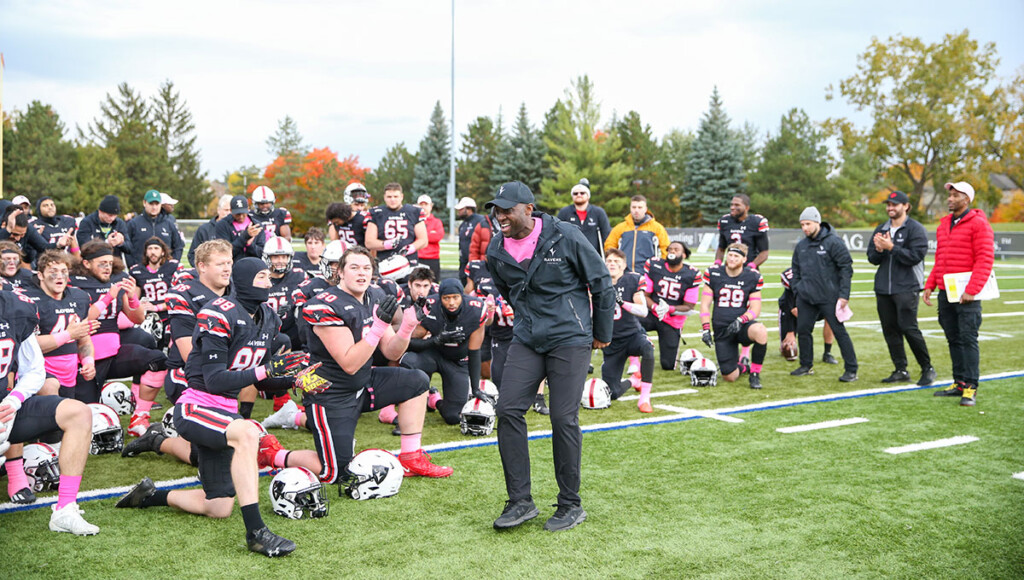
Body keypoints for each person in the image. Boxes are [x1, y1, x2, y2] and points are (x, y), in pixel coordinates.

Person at [116, 258, 307, 558]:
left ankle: (149, 496)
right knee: (247, 432)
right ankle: (256, 533)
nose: (269, 284)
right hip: (196, 405)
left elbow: (260, 377)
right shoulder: (219, 312)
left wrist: (295, 380)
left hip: (225, 411)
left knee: (218, 506)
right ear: (243, 280)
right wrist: (266, 371)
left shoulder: (268, 317)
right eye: (261, 277)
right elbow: (215, 380)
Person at [485, 181, 614, 532]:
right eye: (497, 209)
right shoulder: (495, 249)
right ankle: (520, 501)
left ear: (528, 209)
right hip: (527, 337)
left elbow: (601, 282)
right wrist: (528, 319)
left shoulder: (566, 234)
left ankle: (570, 504)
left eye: (507, 209)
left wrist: (601, 333)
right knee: (508, 409)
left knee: (563, 417)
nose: (500, 216)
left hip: (569, 337)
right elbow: (509, 291)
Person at [268, 246, 454, 482]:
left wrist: (407, 326)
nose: (361, 273)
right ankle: (275, 454)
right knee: (335, 473)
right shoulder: (324, 304)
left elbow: (390, 350)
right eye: (354, 267)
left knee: (417, 380)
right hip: (331, 393)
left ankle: (411, 457)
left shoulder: (374, 295)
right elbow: (349, 363)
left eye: (366, 268)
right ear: (341, 273)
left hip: (363, 384)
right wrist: (377, 328)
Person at [122, 240, 235, 463]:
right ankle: (157, 440)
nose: (227, 268)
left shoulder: (234, 291)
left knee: (235, 444)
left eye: (229, 262)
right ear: (202, 266)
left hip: (222, 375)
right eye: (221, 263)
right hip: (189, 376)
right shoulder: (185, 295)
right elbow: (190, 355)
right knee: (206, 457)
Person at [0, 290, 100, 534]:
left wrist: (14, 400)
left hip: (5, 409)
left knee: (79, 413)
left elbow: (35, 370)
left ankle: (65, 509)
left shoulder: (15, 307)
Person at [70, 241, 167, 431]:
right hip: (84, 357)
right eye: (102, 263)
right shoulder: (74, 281)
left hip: (113, 349)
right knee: (85, 418)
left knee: (158, 359)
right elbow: (83, 319)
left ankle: (140, 416)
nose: (107, 268)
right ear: (86, 263)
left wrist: (131, 296)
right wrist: (107, 297)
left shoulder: (118, 278)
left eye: (109, 262)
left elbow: (138, 318)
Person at [923, 181, 994, 406]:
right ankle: (959, 382)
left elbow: (984, 259)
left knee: (968, 338)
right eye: (950, 195)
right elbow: (941, 259)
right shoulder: (944, 225)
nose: (950, 198)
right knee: (953, 338)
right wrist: (930, 285)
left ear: (967, 199)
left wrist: (972, 290)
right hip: (947, 292)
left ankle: (971, 386)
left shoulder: (979, 224)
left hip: (967, 294)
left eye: (955, 195)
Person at [866, 190, 935, 386]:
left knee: (909, 328)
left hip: (906, 286)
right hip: (883, 289)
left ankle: (927, 368)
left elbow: (915, 256)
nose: (890, 208)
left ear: (906, 206)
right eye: (888, 204)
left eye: (894, 204)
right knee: (890, 330)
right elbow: (872, 258)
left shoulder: (915, 229)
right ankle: (900, 369)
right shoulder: (881, 229)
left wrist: (891, 247)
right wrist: (879, 250)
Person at [400, 278, 488, 426]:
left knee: (453, 417)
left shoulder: (476, 309)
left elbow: (474, 351)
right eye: (446, 298)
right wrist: (435, 340)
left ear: (462, 296)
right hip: (433, 355)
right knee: (409, 361)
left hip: (458, 362)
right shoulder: (429, 306)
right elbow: (407, 343)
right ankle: (407, 413)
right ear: (440, 298)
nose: (451, 303)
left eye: (455, 297)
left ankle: (434, 400)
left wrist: (475, 388)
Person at [789, 207, 858, 382]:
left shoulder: (833, 242)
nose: (805, 228)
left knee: (839, 331)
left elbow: (846, 268)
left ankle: (851, 369)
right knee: (803, 330)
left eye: (808, 224)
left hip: (829, 297)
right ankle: (806, 365)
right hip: (806, 297)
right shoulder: (801, 246)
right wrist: (798, 289)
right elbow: (795, 270)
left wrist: (844, 295)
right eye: (802, 224)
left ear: (817, 223)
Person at [19, 251, 99, 398]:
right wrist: (68, 334)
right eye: (53, 272)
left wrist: (88, 362)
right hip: (37, 370)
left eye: (63, 271)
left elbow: (84, 340)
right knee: (50, 393)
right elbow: (27, 345)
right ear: (41, 275)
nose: (59, 276)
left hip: (70, 372)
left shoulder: (79, 297)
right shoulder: (29, 300)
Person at [699, 242, 768, 389]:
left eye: (736, 256)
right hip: (722, 328)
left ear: (744, 259)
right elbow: (705, 304)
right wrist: (706, 328)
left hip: (742, 325)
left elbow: (755, 309)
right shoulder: (714, 273)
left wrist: (741, 320)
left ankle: (755, 374)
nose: (731, 258)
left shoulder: (752, 276)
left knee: (761, 331)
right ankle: (743, 367)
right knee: (729, 377)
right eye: (730, 255)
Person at [601, 249, 656, 411]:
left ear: (624, 265)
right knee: (611, 393)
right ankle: (634, 380)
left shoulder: (632, 280)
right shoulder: (598, 282)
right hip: (611, 341)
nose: (612, 264)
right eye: (609, 261)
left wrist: (622, 303)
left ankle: (645, 398)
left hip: (632, 335)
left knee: (648, 348)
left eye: (616, 261)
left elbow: (643, 311)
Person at [640, 240, 701, 371]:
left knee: (668, 365)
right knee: (630, 321)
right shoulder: (655, 266)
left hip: (672, 320)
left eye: (676, 249)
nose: (672, 251)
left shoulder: (691, 274)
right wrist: (656, 307)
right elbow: (645, 295)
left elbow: (689, 306)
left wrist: (669, 308)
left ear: (684, 255)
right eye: (670, 249)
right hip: (651, 313)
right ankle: (634, 360)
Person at [777, 267, 838, 363]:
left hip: (818, 305)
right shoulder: (792, 278)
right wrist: (790, 331)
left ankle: (827, 353)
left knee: (831, 314)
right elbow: (789, 306)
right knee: (787, 348)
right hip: (795, 309)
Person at [129, 237, 180, 348]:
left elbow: (179, 298)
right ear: (146, 252)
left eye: (156, 248)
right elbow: (134, 298)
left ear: (162, 252)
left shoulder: (173, 267)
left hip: (169, 316)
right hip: (148, 318)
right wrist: (139, 305)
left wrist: (157, 307)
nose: (153, 252)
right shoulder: (137, 271)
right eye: (150, 249)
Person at [364, 183, 426, 265]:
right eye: (389, 197)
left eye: (396, 196)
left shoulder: (414, 212)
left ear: (402, 197)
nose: (392, 199)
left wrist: (410, 248)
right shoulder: (376, 213)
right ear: (384, 197)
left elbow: (423, 240)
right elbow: (369, 242)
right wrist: (386, 244)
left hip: (409, 261)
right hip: (385, 262)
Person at [604, 195, 669, 273]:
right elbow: (609, 246)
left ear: (646, 209)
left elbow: (666, 248)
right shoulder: (620, 228)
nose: (636, 210)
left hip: (648, 272)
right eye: (634, 207)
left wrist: (663, 268)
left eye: (640, 207)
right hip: (624, 272)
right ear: (630, 208)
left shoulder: (657, 228)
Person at [127, 189, 184, 265]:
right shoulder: (134, 224)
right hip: (140, 273)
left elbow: (178, 246)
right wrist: (133, 266)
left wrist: (172, 265)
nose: (154, 207)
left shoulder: (169, 224)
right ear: (144, 203)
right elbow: (127, 248)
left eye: (157, 204)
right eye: (151, 204)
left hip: (165, 273)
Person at [556, 179, 611, 255]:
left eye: (582, 193)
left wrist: (607, 253)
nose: (579, 195)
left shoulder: (598, 212)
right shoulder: (564, 212)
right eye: (575, 193)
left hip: (592, 254)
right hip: (571, 254)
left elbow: (606, 234)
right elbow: (557, 233)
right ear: (572, 197)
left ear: (588, 196)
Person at [715, 194, 770, 268]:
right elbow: (721, 248)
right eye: (732, 204)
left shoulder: (756, 222)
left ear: (746, 208)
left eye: (737, 205)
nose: (732, 207)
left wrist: (750, 267)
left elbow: (764, 253)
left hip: (749, 269)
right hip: (729, 269)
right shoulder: (725, 221)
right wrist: (717, 264)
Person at [76, 195, 133, 264]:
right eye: (110, 215)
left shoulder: (119, 223)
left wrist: (121, 243)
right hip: (94, 265)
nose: (112, 218)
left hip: (115, 264)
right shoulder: (87, 222)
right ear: (100, 211)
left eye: (115, 215)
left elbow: (129, 248)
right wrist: (106, 243)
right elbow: (84, 247)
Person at [214, 195, 267, 260]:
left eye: (243, 213)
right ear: (231, 211)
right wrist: (245, 237)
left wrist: (250, 245)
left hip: (252, 264)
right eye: (237, 214)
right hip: (232, 266)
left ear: (248, 209)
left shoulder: (256, 225)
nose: (241, 217)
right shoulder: (222, 225)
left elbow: (261, 253)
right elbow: (224, 253)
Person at [188, 194, 232, 266]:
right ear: (219, 210)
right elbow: (192, 255)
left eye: (231, 210)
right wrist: (202, 271)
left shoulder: (237, 229)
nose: (229, 213)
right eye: (226, 210)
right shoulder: (204, 229)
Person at [456, 196, 489, 284]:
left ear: (469, 209)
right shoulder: (463, 224)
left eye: (461, 209)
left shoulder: (481, 221)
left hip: (477, 262)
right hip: (464, 262)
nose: (458, 211)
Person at [417, 194, 445, 279]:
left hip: (432, 259)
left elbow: (437, 237)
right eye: (421, 205)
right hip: (418, 257)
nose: (423, 207)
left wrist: (420, 235)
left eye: (426, 204)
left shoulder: (437, 222)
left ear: (431, 206)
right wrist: (429, 234)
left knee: (433, 284)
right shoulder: (414, 221)